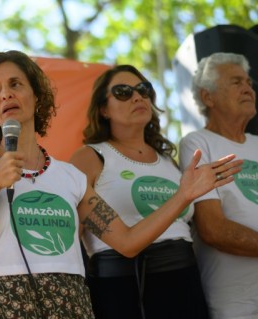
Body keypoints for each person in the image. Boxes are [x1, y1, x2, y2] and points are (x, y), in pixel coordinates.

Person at [0, 50, 241, 318]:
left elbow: (126, 243)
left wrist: (184, 195)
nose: (5, 94)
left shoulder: (69, 176)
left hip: (68, 303)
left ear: (37, 96)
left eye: (15, 84)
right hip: (1, 305)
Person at [69, 64, 210, 319]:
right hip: (122, 290)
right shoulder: (88, 157)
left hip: (185, 281)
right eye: (123, 92)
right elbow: (70, 241)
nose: (137, 97)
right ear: (103, 109)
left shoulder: (168, 159)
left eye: (144, 89)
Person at [179, 52, 258, 319]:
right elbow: (213, 229)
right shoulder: (197, 144)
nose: (248, 88)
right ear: (207, 97)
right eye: (236, 82)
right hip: (236, 306)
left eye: (248, 82)